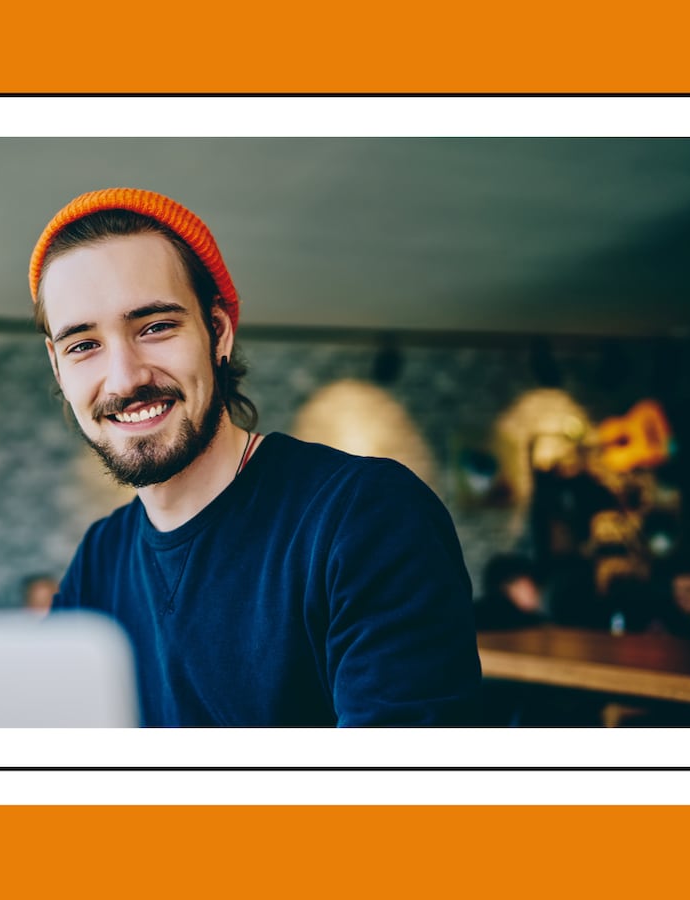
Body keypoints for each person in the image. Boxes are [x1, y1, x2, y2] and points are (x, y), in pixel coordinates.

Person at [29, 187, 480, 726]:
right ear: (58, 367)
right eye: (83, 345)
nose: (125, 377)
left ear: (217, 331)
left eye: (155, 327)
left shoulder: (366, 516)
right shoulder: (100, 558)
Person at [472, 554, 548, 631]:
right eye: (522, 587)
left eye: (533, 585)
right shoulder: (480, 618)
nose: (533, 591)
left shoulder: (537, 622)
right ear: (504, 588)